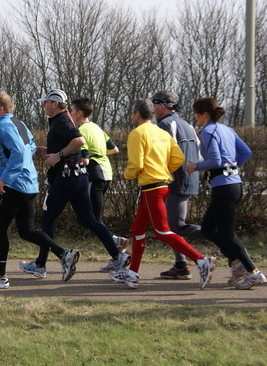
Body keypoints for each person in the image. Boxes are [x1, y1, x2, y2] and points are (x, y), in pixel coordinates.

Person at [19, 89, 130, 282]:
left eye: (45, 102)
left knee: (47, 219)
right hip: (78, 177)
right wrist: (48, 151)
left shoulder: (61, 120)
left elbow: (78, 141)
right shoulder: (66, 119)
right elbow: (74, 146)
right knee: (89, 219)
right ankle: (117, 256)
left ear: (54, 104)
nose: (42, 105)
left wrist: (58, 155)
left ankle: (42, 264)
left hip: (65, 177)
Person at [111, 99, 216, 289]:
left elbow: (135, 165)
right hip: (162, 186)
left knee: (162, 231)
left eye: (131, 113)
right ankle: (132, 273)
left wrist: (128, 175)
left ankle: (201, 261)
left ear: (137, 114)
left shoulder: (137, 133)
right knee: (137, 229)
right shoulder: (162, 132)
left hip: (151, 187)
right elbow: (178, 159)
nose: (131, 116)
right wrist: (162, 169)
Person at [0, 93, 61, 289]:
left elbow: (20, 152)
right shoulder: (18, 123)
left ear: (0, 109)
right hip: (29, 185)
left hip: (13, 185)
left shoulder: (3, 126)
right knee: (27, 231)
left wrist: (3, 179)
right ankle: (64, 254)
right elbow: (29, 147)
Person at [186, 97, 266, 290]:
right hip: (233, 185)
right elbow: (245, 152)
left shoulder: (207, 131)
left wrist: (195, 166)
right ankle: (237, 263)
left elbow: (214, 160)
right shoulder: (227, 130)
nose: (195, 117)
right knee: (207, 228)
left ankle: (253, 272)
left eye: (196, 113)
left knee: (227, 233)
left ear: (205, 114)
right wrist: (231, 167)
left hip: (224, 188)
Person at [69, 98, 129, 272]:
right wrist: (100, 151)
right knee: (88, 217)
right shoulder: (96, 127)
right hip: (106, 173)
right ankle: (115, 247)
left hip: (95, 174)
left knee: (92, 218)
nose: (71, 114)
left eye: (72, 111)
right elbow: (115, 149)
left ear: (79, 113)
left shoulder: (80, 131)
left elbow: (82, 152)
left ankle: (116, 250)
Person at [152, 90, 205, 280]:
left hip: (176, 179)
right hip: (188, 176)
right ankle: (181, 265)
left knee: (175, 226)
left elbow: (165, 154)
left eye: (154, 105)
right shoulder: (186, 124)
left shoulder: (165, 125)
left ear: (162, 106)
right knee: (169, 225)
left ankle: (219, 235)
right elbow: (200, 153)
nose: (152, 110)